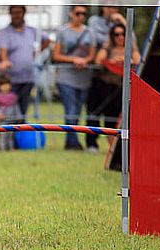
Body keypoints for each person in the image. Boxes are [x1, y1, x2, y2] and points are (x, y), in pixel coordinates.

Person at [85, 6, 134, 152]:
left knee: (112, 119)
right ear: (112, 36)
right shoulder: (107, 46)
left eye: (122, 34)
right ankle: (92, 144)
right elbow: (99, 60)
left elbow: (137, 58)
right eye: (116, 34)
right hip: (102, 86)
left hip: (118, 88)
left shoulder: (130, 48)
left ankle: (113, 148)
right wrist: (112, 62)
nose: (120, 37)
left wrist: (122, 20)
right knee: (94, 115)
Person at [52, 5, 96, 150]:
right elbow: (56, 55)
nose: (81, 16)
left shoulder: (90, 32)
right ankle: (72, 142)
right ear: (71, 13)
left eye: (84, 13)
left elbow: (92, 54)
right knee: (70, 110)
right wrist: (74, 60)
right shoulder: (62, 31)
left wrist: (85, 60)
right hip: (66, 78)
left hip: (84, 78)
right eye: (78, 13)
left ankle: (73, 140)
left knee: (77, 111)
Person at [0, 5, 50, 122]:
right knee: (10, 111)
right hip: (11, 80)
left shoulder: (31, 31)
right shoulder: (5, 33)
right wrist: (5, 60)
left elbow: (47, 40)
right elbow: (3, 52)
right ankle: (9, 138)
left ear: (23, 14)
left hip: (28, 79)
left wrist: (36, 52)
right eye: (14, 13)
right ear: (10, 14)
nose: (17, 15)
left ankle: (19, 138)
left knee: (23, 111)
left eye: (19, 12)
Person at [0, 75, 21, 151]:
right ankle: (2, 148)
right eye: (3, 85)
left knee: (10, 135)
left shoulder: (13, 96)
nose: (5, 87)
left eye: (7, 84)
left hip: (11, 119)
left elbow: (16, 106)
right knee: (2, 134)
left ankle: (11, 148)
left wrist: (19, 115)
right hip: (2, 120)